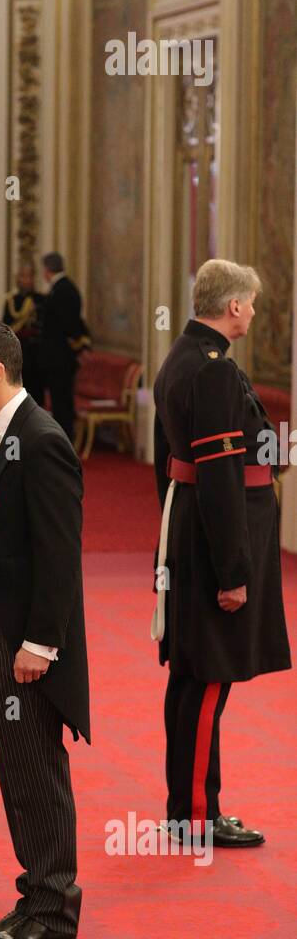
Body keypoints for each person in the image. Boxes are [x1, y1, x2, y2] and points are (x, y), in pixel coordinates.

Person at [0, 321, 89, 939]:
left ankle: (55, 911)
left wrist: (39, 643)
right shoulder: (1, 433)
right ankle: (35, 895)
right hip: (1, 630)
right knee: (17, 769)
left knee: (37, 770)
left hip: (32, 644)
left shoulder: (41, 440)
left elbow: (58, 557)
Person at [152, 259, 291, 847]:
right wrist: (233, 573)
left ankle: (188, 808)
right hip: (218, 543)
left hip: (189, 529)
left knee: (191, 678)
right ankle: (196, 817)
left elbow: (233, 452)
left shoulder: (186, 358)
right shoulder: (211, 372)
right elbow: (219, 475)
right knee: (208, 679)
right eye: (252, 303)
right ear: (233, 306)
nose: (254, 313)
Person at [39, 252, 90, 440]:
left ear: (47, 269)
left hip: (60, 360)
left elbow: (69, 325)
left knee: (62, 405)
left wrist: (78, 348)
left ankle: (64, 443)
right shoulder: (61, 288)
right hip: (56, 359)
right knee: (59, 403)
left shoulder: (64, 290)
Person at [2, 261, 45, 406]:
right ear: (17, 278)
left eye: (29, 276)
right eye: (22, 276)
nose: (26, 280)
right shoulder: (11, 300)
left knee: (36, 397)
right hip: (17, 355)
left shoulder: (40, 300)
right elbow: (6, 328)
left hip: (36, 356)